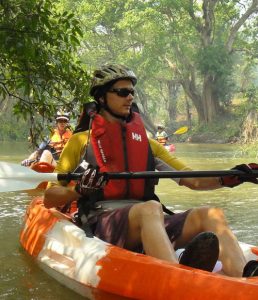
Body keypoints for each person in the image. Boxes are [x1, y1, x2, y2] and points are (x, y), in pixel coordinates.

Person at [44, 63, 258, 277]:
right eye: (122, 92)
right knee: (151, 208)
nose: (130, 97)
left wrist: (235, 176)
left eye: (131, 92)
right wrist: (79, 191)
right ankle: (178, 277)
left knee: (211, 214)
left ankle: (243, 279)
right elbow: (49, 198)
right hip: (105, 221)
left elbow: (193, 180)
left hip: (149, 218)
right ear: (101, 97)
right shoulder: (80, 141)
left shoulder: (147, 144)